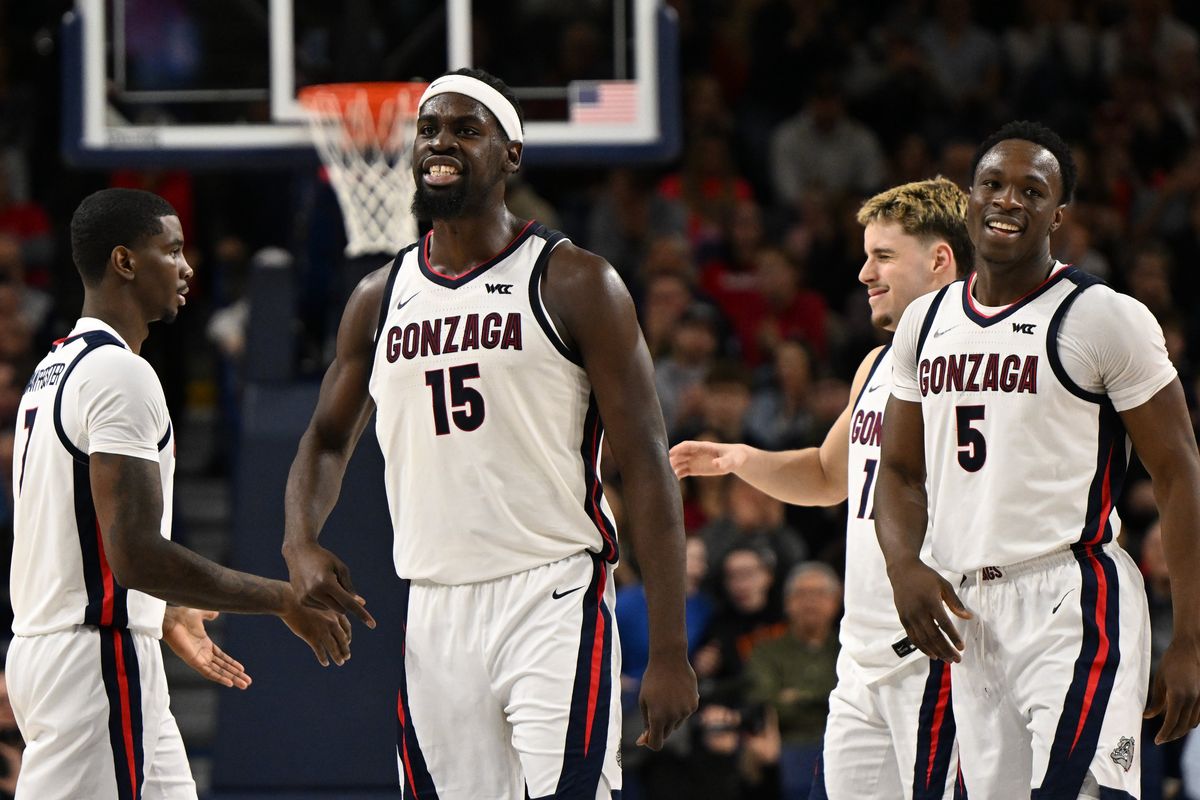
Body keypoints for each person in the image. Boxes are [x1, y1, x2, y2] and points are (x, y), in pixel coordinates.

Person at [281, 68, 698, 798]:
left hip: (552, 595)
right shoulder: (378, 298)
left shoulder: (575, 281)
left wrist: (668, 646)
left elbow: (648, 463)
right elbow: (324, 439)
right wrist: (299, 540)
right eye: (430, 129)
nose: (441, 143)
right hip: (434, 605)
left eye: (466, 130)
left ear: (511, 155)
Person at [876, 120, 1200, 799]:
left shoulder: (1103, 316)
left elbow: (1179, 474)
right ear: (968, 197)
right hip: (970, 608)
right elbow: (900, 473)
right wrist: (903, 564)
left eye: (1032, 189)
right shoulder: (925, 321)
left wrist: (1193, 638)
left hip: (1072, 596)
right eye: (993, 183)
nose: (1008, 200)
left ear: (1060, 211)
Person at [6, 188, 352, 800]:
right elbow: (135, 554)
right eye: (172, 250)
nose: (187, 267)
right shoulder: (120, 374)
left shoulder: (53, 368)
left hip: (74, 649)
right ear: (125, 262)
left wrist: (160, 609)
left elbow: (76, 535)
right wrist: (282, 599)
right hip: (94, 661)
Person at [671, 176, 972, 799]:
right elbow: (827, 475)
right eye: (866, 256)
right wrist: (741, 458)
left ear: (939, 260)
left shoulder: (977, 362)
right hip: (860, 657)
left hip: (936, 651)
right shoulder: (875, 364)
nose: (864, 273)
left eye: (883, 256)